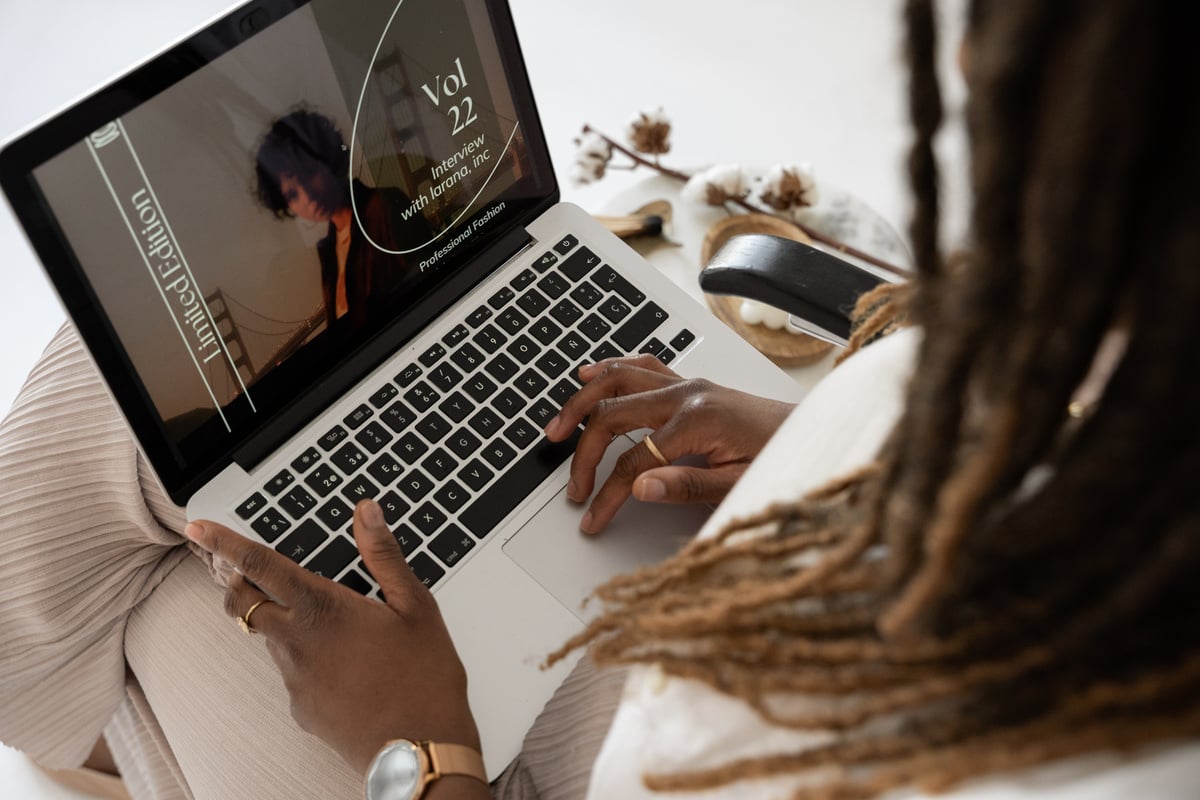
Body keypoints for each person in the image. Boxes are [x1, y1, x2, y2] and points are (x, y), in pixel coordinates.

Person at [1, 0, 1197, 798]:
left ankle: (94, 723)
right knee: (212, 444)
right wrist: (835, 451)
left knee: (179, 524)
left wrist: (419, 747)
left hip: (545, 743)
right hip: (766, 550)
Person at [254, 109, 433, 332]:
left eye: (308, 173)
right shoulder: (330, 249)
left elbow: (430, 290)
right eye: (292, 195)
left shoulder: (384, 206)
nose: (307, 197)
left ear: (327, 159)